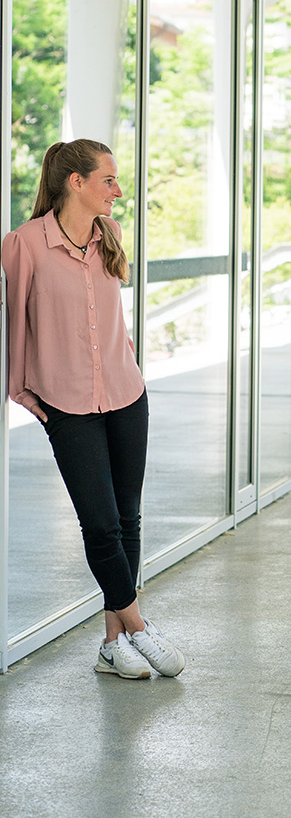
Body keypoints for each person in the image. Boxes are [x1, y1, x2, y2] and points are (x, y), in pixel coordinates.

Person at [2, 139, 185, 680]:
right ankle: (139, 627)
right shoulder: (23, 244)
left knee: (128, 519)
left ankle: (112, 643)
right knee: (100, 524)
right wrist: (19, 388)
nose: (118, 190)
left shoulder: (110, 235)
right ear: (75, 183)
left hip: (126, 394)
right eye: (108, 179)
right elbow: (15, 325)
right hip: (66, 402)